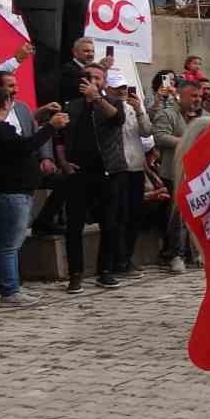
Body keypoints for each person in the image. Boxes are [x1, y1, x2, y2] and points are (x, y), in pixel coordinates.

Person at [0, 85, 68, 306]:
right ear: (7, 104)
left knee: (8, 243)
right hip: (11, 193)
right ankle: (10, 290)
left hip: (13, 191)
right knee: (9, 244)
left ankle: (10, 286)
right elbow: (25, 147)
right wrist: (50, 127)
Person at [59, 63, 126, 292]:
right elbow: (61, 136)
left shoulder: (113, 102)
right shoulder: (72, 105)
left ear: (104, 81)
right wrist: (64, 162)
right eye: (88, 77)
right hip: (78, 172)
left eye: (97, 77)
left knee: (109, 223)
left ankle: (104, 270)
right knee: (74, 225)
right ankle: (75, 274)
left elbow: (117, 119)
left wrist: (97, 98)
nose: (92, 81)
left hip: (107, 170)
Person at [152, 79, 203, 272]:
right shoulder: (167, 114)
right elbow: (160, 136)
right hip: (175, 171)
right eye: (193, 96)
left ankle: (196, 252)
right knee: (177, 216)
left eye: (199, 96)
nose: (197, 100)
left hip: (199, 172)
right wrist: (187, 141)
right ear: (181, 96)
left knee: (197, 214)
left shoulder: (203, 115)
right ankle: (176, 254)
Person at [108, 69, 153, 279]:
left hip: (135, 166)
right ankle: (119, 258)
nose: (121, 92)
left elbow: (146, 131)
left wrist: (140, 110)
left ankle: (128, 256)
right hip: (118, 168)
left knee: (135, 214)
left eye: (123, 88)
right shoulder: (108, 109)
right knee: (121, 214)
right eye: (117, 88)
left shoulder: (133, 107)